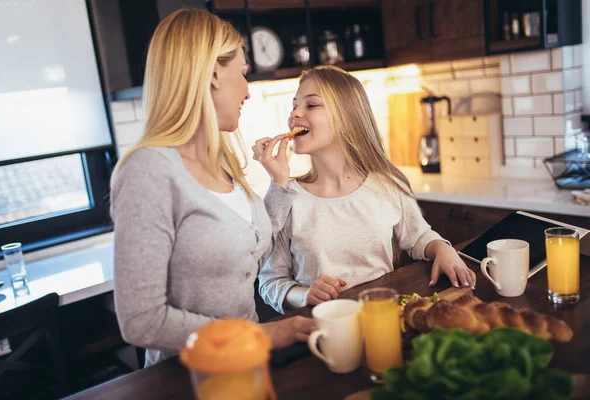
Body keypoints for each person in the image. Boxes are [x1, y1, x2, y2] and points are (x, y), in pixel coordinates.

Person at [110, 9, 313, 367]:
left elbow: (248, 249)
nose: (248, 91)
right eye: (244, 73)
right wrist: (260, 335)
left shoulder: (222, 161)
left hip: (245, 367)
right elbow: (141, 320)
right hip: (186, 379)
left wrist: (279, 182)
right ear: (214, 73)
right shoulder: (149, 172)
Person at [257, 65, 477, 314]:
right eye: (294, 105)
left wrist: (442, 249)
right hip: (325, 328)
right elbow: (270, 282)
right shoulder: (285, 197)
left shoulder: (387, 184)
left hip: (384, 318)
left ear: (347, 117)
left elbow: (418, 237)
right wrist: (304, 294)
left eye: (311, 105)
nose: (295, 113)